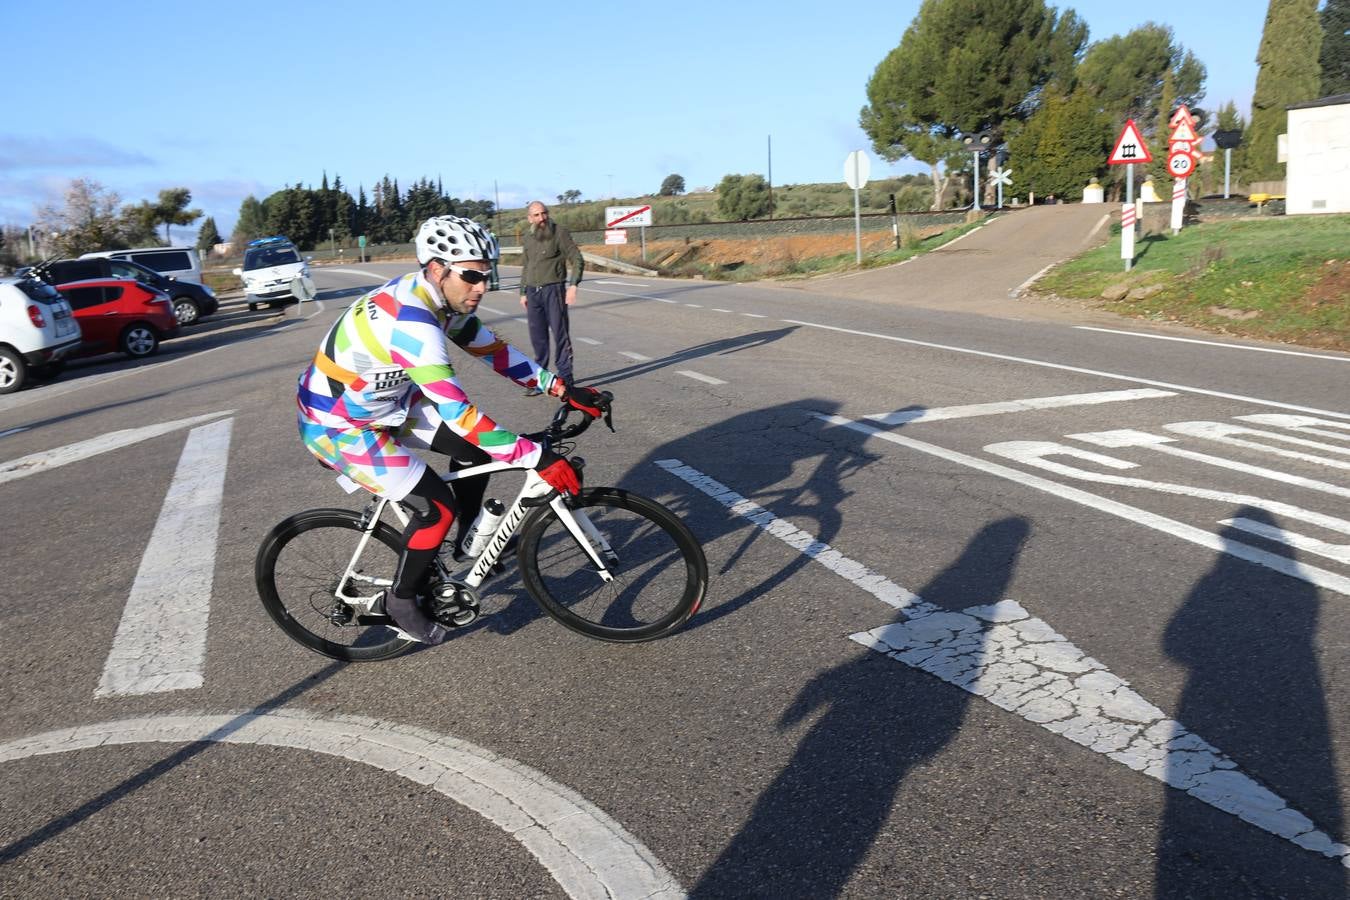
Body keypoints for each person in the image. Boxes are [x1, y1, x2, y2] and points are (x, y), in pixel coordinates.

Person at [297, 215, 604, 644]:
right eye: (473, 276)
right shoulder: (413, 323)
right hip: (338, 424)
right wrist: (538, 457)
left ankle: (465, 541)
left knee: (477, 452)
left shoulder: (440, 299)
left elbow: (494, 352)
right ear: (439, 269)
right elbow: (461, 414)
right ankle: (401, 602)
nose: (482, 286)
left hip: (389, 403)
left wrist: (560, 388)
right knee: (435, 506)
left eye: (488, 274)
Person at [518, 201, 583, 395]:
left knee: (560, 335)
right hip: (532, 292)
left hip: (554, 290)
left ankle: (566, 378)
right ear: (530, 218)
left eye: (543, 213)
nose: (541, 218)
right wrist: (522, 292)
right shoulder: (528, 237)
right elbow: (526, 265)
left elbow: (576, 258)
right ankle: (542, 379)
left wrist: (573, 285)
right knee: (538, 339)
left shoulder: (559, 232)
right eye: (536, 215)